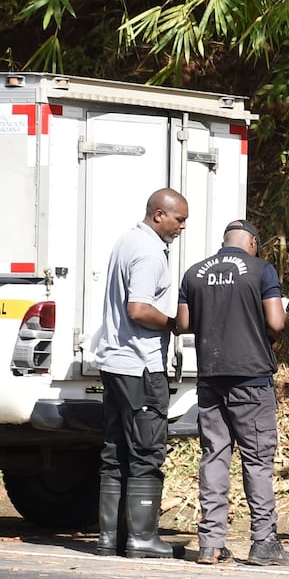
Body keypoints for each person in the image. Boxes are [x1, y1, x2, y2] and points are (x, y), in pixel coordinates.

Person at [177, 220, 289, 566]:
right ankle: (263, 542)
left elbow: (184, 324)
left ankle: (210, 543)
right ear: (253, 244)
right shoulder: (261, 270)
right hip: (250, 379)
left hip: (210, 378)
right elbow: (275, 323)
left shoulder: (194, 273)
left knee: (214, 455)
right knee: (257, 461)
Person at [94, 188, 188, 559]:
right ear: (159, 215)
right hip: (140, 365)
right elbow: (137, 309)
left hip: (115, 363)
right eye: (179, 219)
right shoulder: (149, 252)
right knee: (147, 450)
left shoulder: (126, 241)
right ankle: (142, 538)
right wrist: (173, 325)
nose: (182, 227)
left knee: (115, 450)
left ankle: (109, 538)